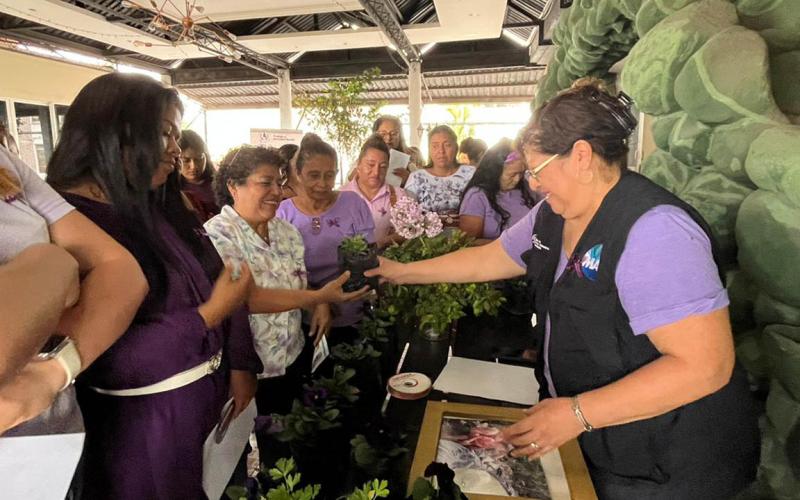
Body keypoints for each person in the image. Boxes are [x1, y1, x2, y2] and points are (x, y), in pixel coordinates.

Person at [367, 81, 759, 499]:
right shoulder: (553, 213)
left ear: (582, 157)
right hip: (598, 438)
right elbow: (491, 257)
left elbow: (705, 366)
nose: (532, 184)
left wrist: (577, 413)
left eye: (537, 170)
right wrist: (399, 271)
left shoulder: (655, 231)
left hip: (667, 460)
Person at [46, 73, 262, 499]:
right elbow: (100, 355)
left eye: (177, 135)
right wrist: (210, 314)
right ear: (115, 132)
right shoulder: (66, 224)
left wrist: (240, 362)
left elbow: (223, 276)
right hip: (143, 424)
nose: (176, 150)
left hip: (205, 404)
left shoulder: (154, 201)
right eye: (164, 133)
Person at [203, 145, 369, 462]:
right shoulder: (217, 236)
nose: (277, 192)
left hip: (290, 355)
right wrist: (319, 297)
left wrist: (316, 304)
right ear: (233, 186)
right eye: (265, 183)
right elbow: (245, 299)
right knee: (239, 452)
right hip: (246, 366)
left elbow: (297, 280)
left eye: (280, 182)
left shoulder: (287, 232)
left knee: (286, 442)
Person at [0, 144, 147, 436]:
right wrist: (51, 264)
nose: (173, 149)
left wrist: (54, 370)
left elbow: (122, 270)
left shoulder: (5, 162)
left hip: (52, 438)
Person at [277, 133, 375, 341]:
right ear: (298, 173)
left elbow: (367, 256)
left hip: (352, 312)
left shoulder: (353, 204)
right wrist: (319, 300)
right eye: (314, 175)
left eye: (329, 175)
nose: (322, 183)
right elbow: (284, 271)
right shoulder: (283, 214)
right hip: (304, 316)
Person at [458, 141, 538, 244]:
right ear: (495, 172)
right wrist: (511, 247)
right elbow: (468, 242)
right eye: (512, 175)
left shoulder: (527, 189)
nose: (517, 179)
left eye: (521, 173)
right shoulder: (477, 196)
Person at [341, 134, 409, 248]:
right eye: (370, 165)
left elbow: (409, 231)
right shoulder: (341, 195)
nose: (376, 172)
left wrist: (383, 242)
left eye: (382, 166)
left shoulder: (398, 195)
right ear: (358, 165)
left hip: (387, 261)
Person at [404, 125, 475, 226]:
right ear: (429, 149)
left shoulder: (470, 174)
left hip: (466, 235)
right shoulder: (416, 178)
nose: (441, 151)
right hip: (426, 239)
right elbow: (409, 215)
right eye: (435, 146)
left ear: (456, 148)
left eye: (447, 145)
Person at [178, 129, 219, 221]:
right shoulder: (173, 189)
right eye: (186, 160)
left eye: (199, 159)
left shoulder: (219, 184)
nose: (193, 166)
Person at [373, 115, 423, 185]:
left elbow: (425, 186)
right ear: (375, 135)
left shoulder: (414, 154)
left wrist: (409, 179)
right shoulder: (367, 157)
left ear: (400, 135)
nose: (388, 138)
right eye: (383, 134)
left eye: (393, 133)